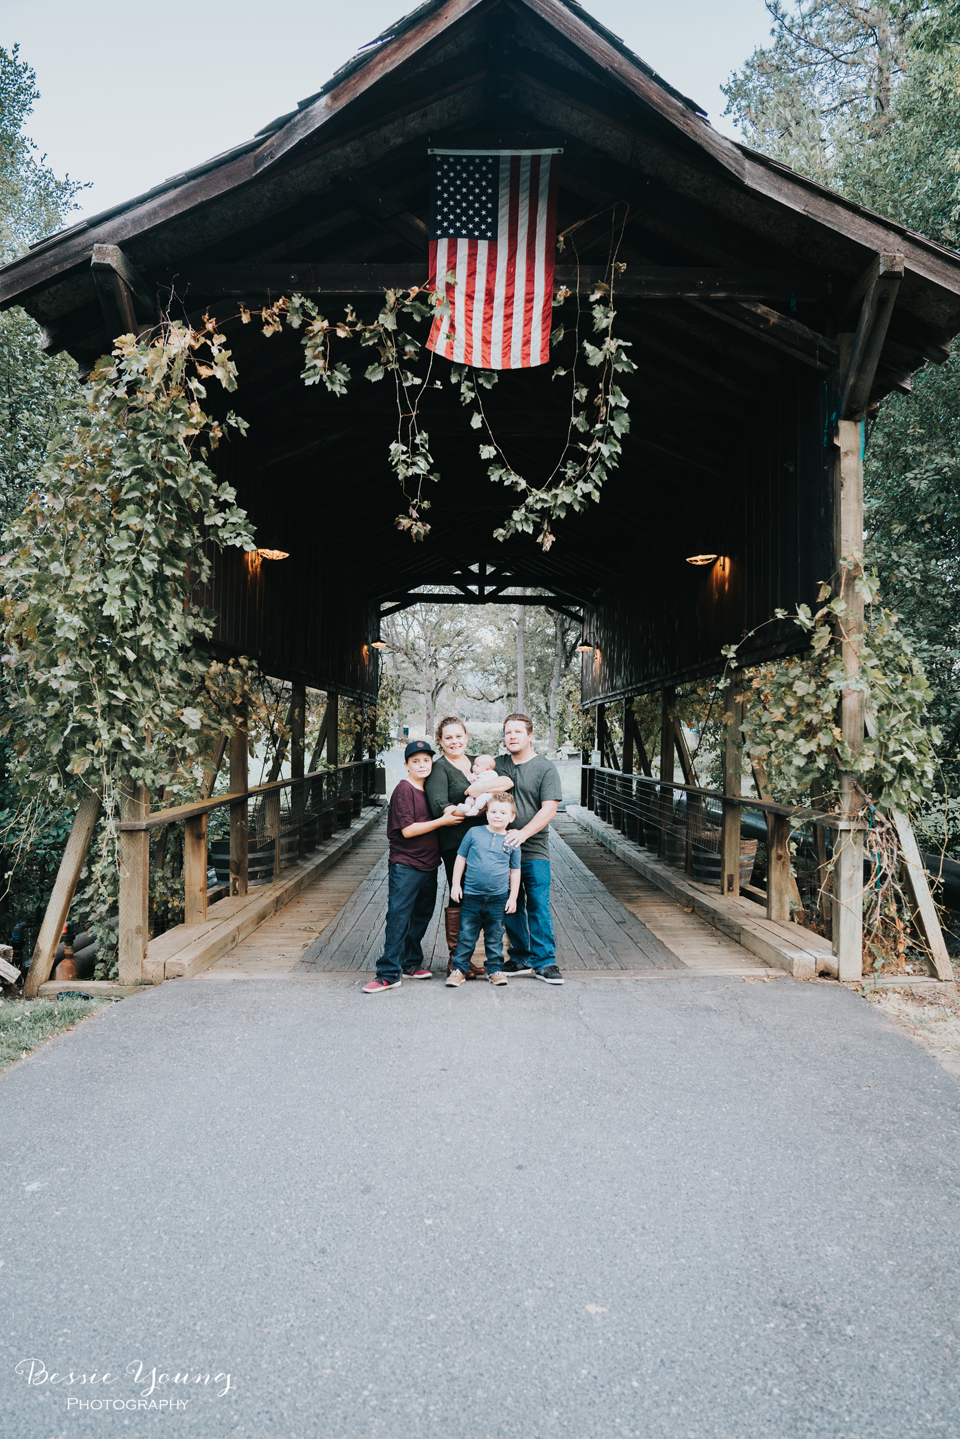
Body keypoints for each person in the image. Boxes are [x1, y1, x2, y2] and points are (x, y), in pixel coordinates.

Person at [362, 740, 463, 994]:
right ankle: (388, 973)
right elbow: (408, 831)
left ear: (432, 762)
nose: (421, 765)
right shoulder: (404, 790)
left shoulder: (428, 789)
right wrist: (442, 821)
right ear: (406, 764)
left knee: (421, 915)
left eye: (426, 760)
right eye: (415, 761)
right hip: (406, 864)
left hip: (429, 864)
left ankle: (410, 962)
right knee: (398, 916)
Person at [424, 717, 513, 970]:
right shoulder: (439, 768)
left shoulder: (479, 762)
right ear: (440, 741)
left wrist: (481, 788)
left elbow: (507, 782)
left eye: (458, 736)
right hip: (456, 842)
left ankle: (479, 956)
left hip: (487, 840)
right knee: (461, 892)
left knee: (487, 893)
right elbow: (440, 806)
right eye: (448, 737)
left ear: (466, 737)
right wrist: (473, 810)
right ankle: (457, 959)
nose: (455, 741)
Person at [494, 713, 565, 984]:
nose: (512, 736)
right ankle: (520, 957)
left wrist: (523, 833)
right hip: (502, 849)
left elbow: (550, 809)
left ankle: (545, 962)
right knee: (508, 905)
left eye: (518, 732)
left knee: (538, 904)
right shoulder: (499, 764)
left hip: (533, 848)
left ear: (530, 735)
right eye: (508, 732)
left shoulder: (545, 768)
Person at [446, 795, 522, 988]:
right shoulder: (473, 833)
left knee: (495, 935)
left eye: (503, 813)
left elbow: (515, 871)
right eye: (493, 811)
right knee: (466, 934)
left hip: (498, 897)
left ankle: (495, 969)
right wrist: (456, 885)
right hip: (472, 895)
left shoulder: (513, 840)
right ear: (486, 813)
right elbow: (460, 859)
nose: (497, 816)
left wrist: (513, 897)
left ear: (511, 817)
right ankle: (459, 969)